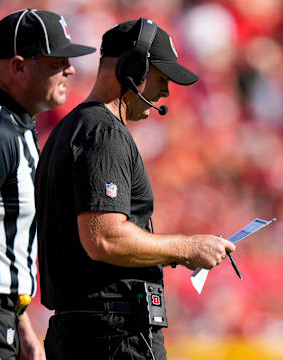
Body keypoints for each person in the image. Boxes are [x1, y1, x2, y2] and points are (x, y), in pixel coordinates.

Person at [35, 18, 236, 360]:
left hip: (87, 334)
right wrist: (187, 248)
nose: (166, 92)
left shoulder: (70, 128)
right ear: (133, 68)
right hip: (114, 337)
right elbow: (104, 238)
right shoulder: (104, 132)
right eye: (161, 78)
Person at [0, 8, 95, 360]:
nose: (69, 69)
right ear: (19, 66)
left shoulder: (17, 127)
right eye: (56, 60)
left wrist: (22, 325)